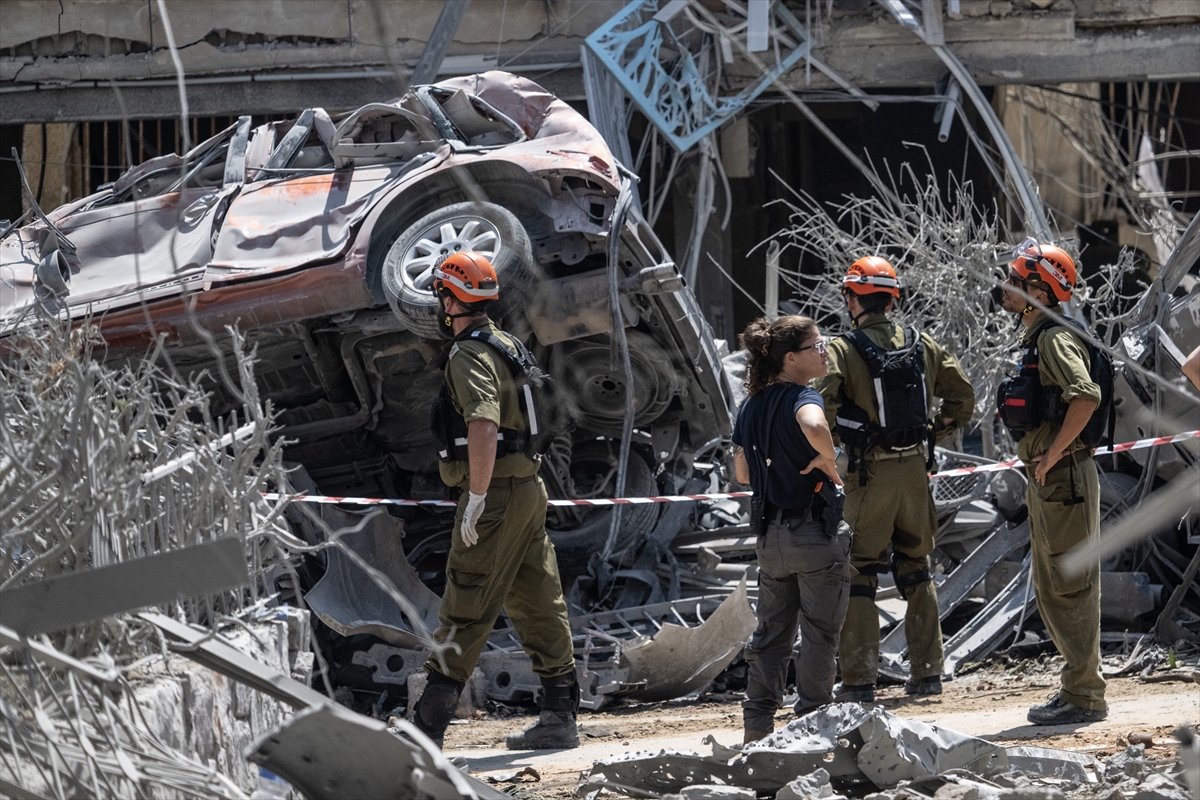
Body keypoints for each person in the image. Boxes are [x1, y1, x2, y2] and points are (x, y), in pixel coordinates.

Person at [413, 250, 579, 750]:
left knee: (466, 604)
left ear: (450, 301)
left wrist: (478, 497)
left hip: (497, 495)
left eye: (440, 295)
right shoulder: (506, 343)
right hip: (528, 487)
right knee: (539, 599)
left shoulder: (467, 354)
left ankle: (425, 732)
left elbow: (483, 424)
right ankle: (560, 718)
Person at [813, 256, 975, 704]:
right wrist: (929, 433)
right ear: (891, 300)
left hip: (869, 475)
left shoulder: (842, 350)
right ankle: (928, 673)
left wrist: (837, 448)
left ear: (852, 300)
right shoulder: (923, 344)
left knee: (859, 570)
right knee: (918, 568)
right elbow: (962, 398)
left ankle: (859, 680)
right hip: (915, 473)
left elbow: (820, 409)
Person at [997, 240, 1107, 725]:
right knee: (1054, 587)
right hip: (1054, 480)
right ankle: (1078, 689)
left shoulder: (1053, 339)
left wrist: (1055, 453)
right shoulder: (1039, 336)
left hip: (1064, 479)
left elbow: (1085, 395)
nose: (1005, 287)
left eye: (1015, 280)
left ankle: (1084, 695)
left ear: (1038, 291)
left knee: (1070, 588)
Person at [732, 315, 853, 745]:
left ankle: (756, 731)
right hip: (813, 535)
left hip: (771, 540)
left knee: (770, 637)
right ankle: (812, 730)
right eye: (816, 345)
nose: (825, 351)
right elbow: (815, 425)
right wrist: (828, 457)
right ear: (790, 358)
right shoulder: (804, 396)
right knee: (818, 635)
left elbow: (742, 472)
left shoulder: (751, 406)